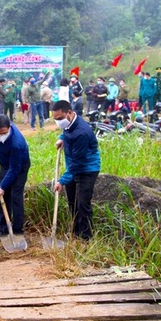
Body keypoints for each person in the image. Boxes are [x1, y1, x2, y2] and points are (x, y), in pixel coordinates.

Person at [51, 100, 100, 241]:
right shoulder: (69, 123)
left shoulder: (82, 132)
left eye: (60, 119)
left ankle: (86, 238)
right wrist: (62, 138)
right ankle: (75, 232)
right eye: (55, 119)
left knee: (83, 204)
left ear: (70, 113)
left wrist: (62, 181)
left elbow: (78, 163)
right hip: (72, 167)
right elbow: (66, 131)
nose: (58, 122)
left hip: (87, 169)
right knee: (72, 202)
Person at [0, 114, 30, 240]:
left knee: (15, 196)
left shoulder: (17, 144)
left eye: (4, 133)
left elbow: (14, 169)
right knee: (3, 197)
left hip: (19, 167)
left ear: (10, 127)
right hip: (5, 164)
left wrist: (3, 186)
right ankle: (2, 230)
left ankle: (17, 231)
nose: (1, 136)